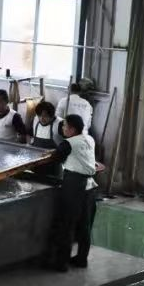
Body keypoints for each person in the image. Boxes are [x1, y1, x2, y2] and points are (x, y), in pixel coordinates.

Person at [46, 115, 97, 271]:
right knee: (84, 224)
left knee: (67, 223)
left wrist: (52, 153)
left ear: (72, 129)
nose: (62, 128)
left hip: (74, 184)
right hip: (90, 185)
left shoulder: (68, 143)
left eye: (65, 126)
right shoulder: (89, 139)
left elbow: (56, 158)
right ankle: (82, 259)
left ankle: (60, 263)